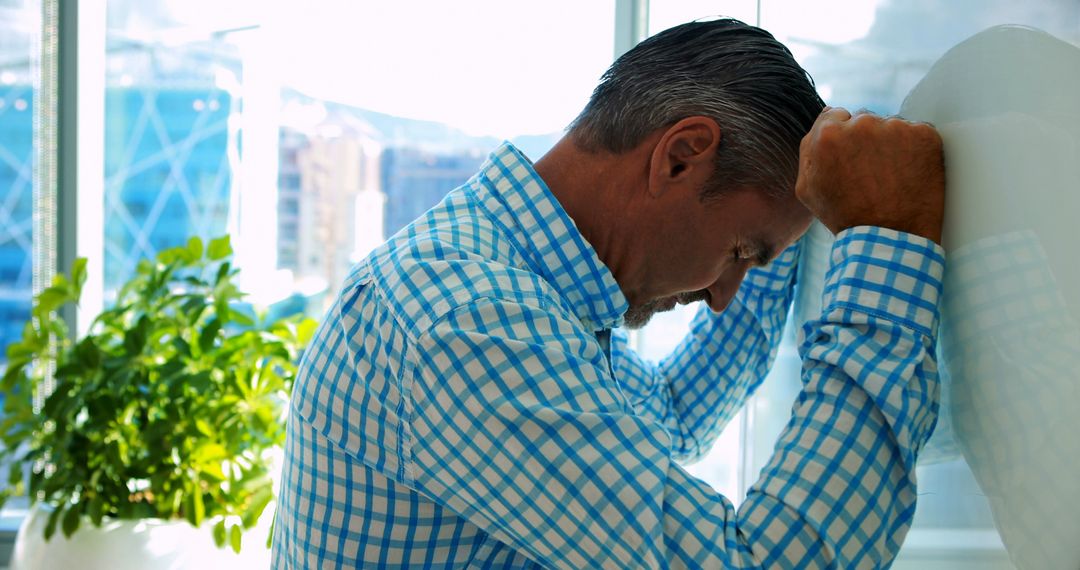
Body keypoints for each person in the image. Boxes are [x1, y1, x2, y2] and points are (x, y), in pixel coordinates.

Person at [272, 18, 945, 569]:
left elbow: (670, 415)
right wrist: (888, 241)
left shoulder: (516, 287)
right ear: (679, 157)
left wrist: (778, 229)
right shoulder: (469, 322)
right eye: (741, 254)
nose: (721, 297)